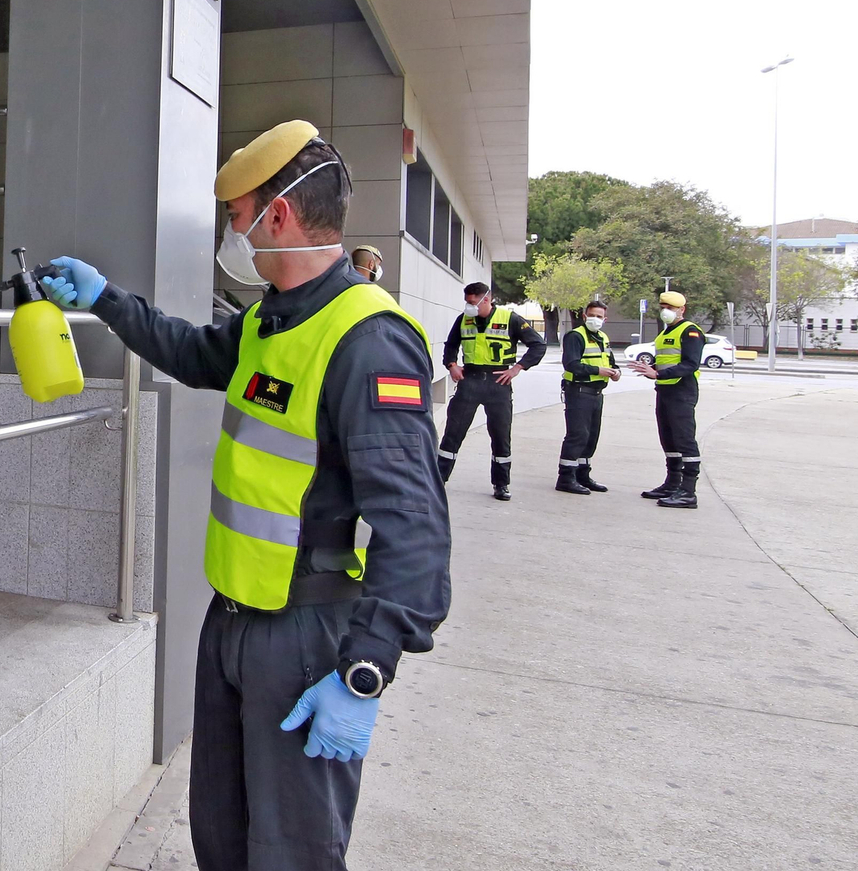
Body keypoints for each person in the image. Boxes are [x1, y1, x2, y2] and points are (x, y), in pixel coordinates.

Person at [38, 120, 450, 871]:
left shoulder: (367, 339)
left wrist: (366, 671)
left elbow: (414, 525)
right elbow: (196, 353)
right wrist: (106, 299)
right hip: (232, 620)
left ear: (279, 215)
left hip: (307, 633)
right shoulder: (270, 318)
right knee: (224, 833)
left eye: (237, 215)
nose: (234, 232)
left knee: (291, 848)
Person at [436, 282, 546, 501]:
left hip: (499, 384)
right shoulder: (463, 320)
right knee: (453, 433)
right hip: (471, 381)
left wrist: (517, 368)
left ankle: (501, 484)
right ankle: (438, 480)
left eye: (473, 302)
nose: (469, 306)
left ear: (487, 299)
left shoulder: (510, 319)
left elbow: (538, 345)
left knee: (500, 436)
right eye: (467, 301)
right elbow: (450, 346)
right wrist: (452, 365)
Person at [629, 290, 704, 508]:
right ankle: (672, 483)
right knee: (668, 439)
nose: (666, 311)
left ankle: (689, 491)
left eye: (670, 308)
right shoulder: (664, 333)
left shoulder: (690, 331)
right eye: (663, 307)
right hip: (664, 391)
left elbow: (691, 364)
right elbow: (668, 361)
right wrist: (651, 368)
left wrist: (659, 373)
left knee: (685, 440)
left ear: (682, 310)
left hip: (682, 391)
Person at [556, 300, 621, 494]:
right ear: (584, 316)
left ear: (605, 319)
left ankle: (582, 475)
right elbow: (571, 364)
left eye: (599, 316)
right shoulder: (575, 336)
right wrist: (598, 370)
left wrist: (616, 372)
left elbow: (611, 362)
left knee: (591, 437)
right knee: (578, 435)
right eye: (592, 315)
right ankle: (566, 478)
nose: (595, 319)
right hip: (579, 391)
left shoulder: (602, 337)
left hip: (596, 393)